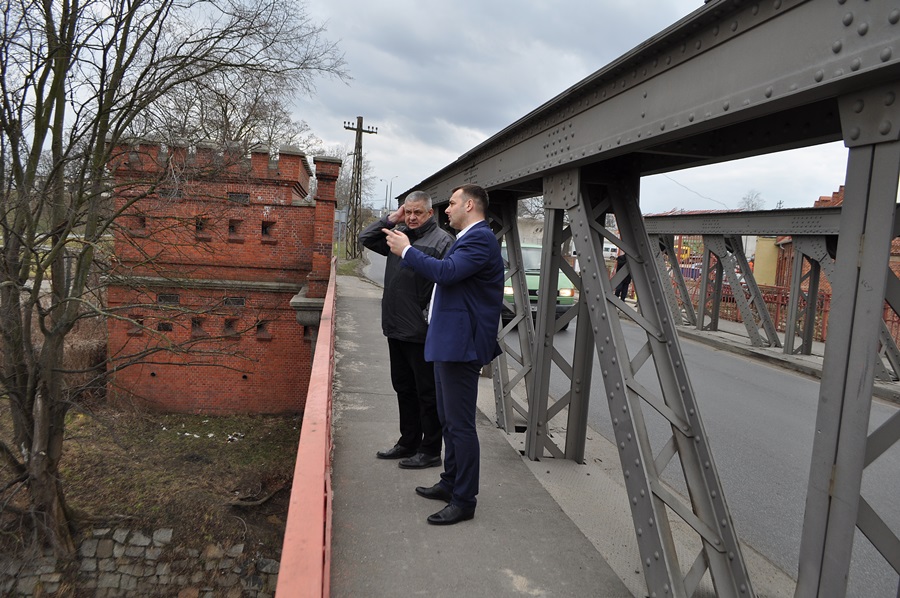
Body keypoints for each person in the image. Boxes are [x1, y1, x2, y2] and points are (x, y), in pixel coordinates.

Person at [383, 183, 504, 525]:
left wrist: (407, 250)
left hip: (460, 346)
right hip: (448, 341)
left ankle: (464, 499)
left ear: (469, 204)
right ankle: (450, 482)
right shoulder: (468, 237)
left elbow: (447, 273)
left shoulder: (481, 238)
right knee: (450, 421)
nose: (446, 209)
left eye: (451, 203)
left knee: (461, 426)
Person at [359, 191, 454, 469]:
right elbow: (366, 238)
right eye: (408, 212)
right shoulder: (399, 233)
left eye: (417, 213)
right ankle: (408, 442)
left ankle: (430, 450)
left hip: (421, 331)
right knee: (403, 387)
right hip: (395, 326)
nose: (412, 218)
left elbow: (448, 282)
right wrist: (391, 219)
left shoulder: (442, 242)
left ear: (430, 213)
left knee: (427, 393)